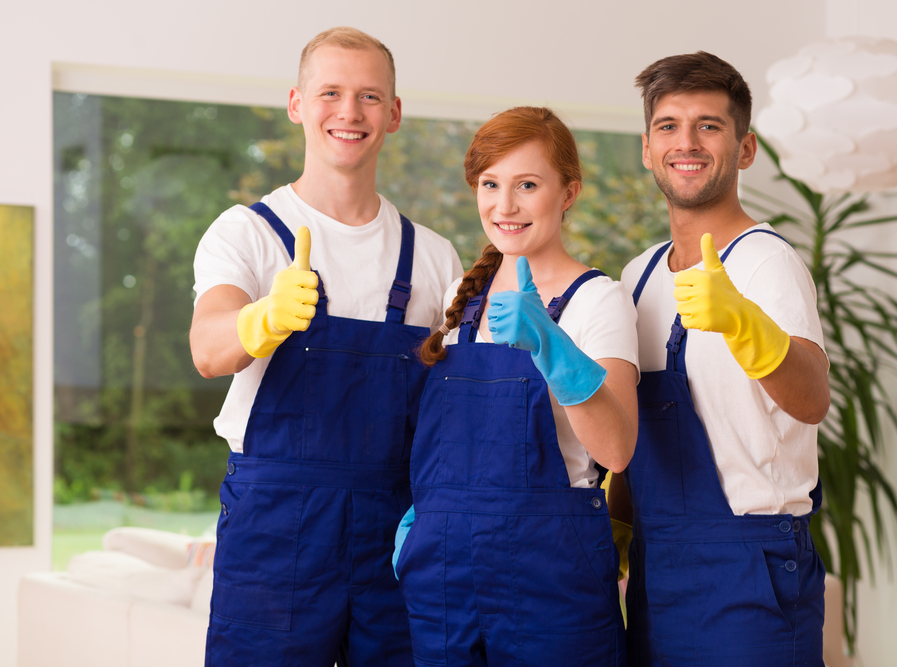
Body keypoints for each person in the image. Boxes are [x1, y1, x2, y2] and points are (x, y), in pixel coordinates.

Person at [189, 26, 463, 666]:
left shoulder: (432, 256)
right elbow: (207, 347)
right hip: (275, 529)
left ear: (393, 114)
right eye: (330, 92)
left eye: (370, 96)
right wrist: (264, 319)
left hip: (396, 531)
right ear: (297, 103)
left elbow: (451, 416)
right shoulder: (249, 233)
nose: (349, 112)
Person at [392, 106, 638, 666]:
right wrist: (423, 520)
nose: (505, 206)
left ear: (568, 191)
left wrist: (552, 344)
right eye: (490, 184)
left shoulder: (598, 299)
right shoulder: (460, 298)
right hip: (445, 580)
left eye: (528, 184)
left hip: (552, 578)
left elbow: (617, 449)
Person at [611, 51, 831, 666]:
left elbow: (813, 396)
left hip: (750, 565)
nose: (688, 142)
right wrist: (615, 531)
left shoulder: (767, 262)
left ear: (745, 148)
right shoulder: (640, 274)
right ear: (649, 149)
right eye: (668, 126)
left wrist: (744, 323)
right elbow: (636, 427)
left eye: (709, 125)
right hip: (658, 566)